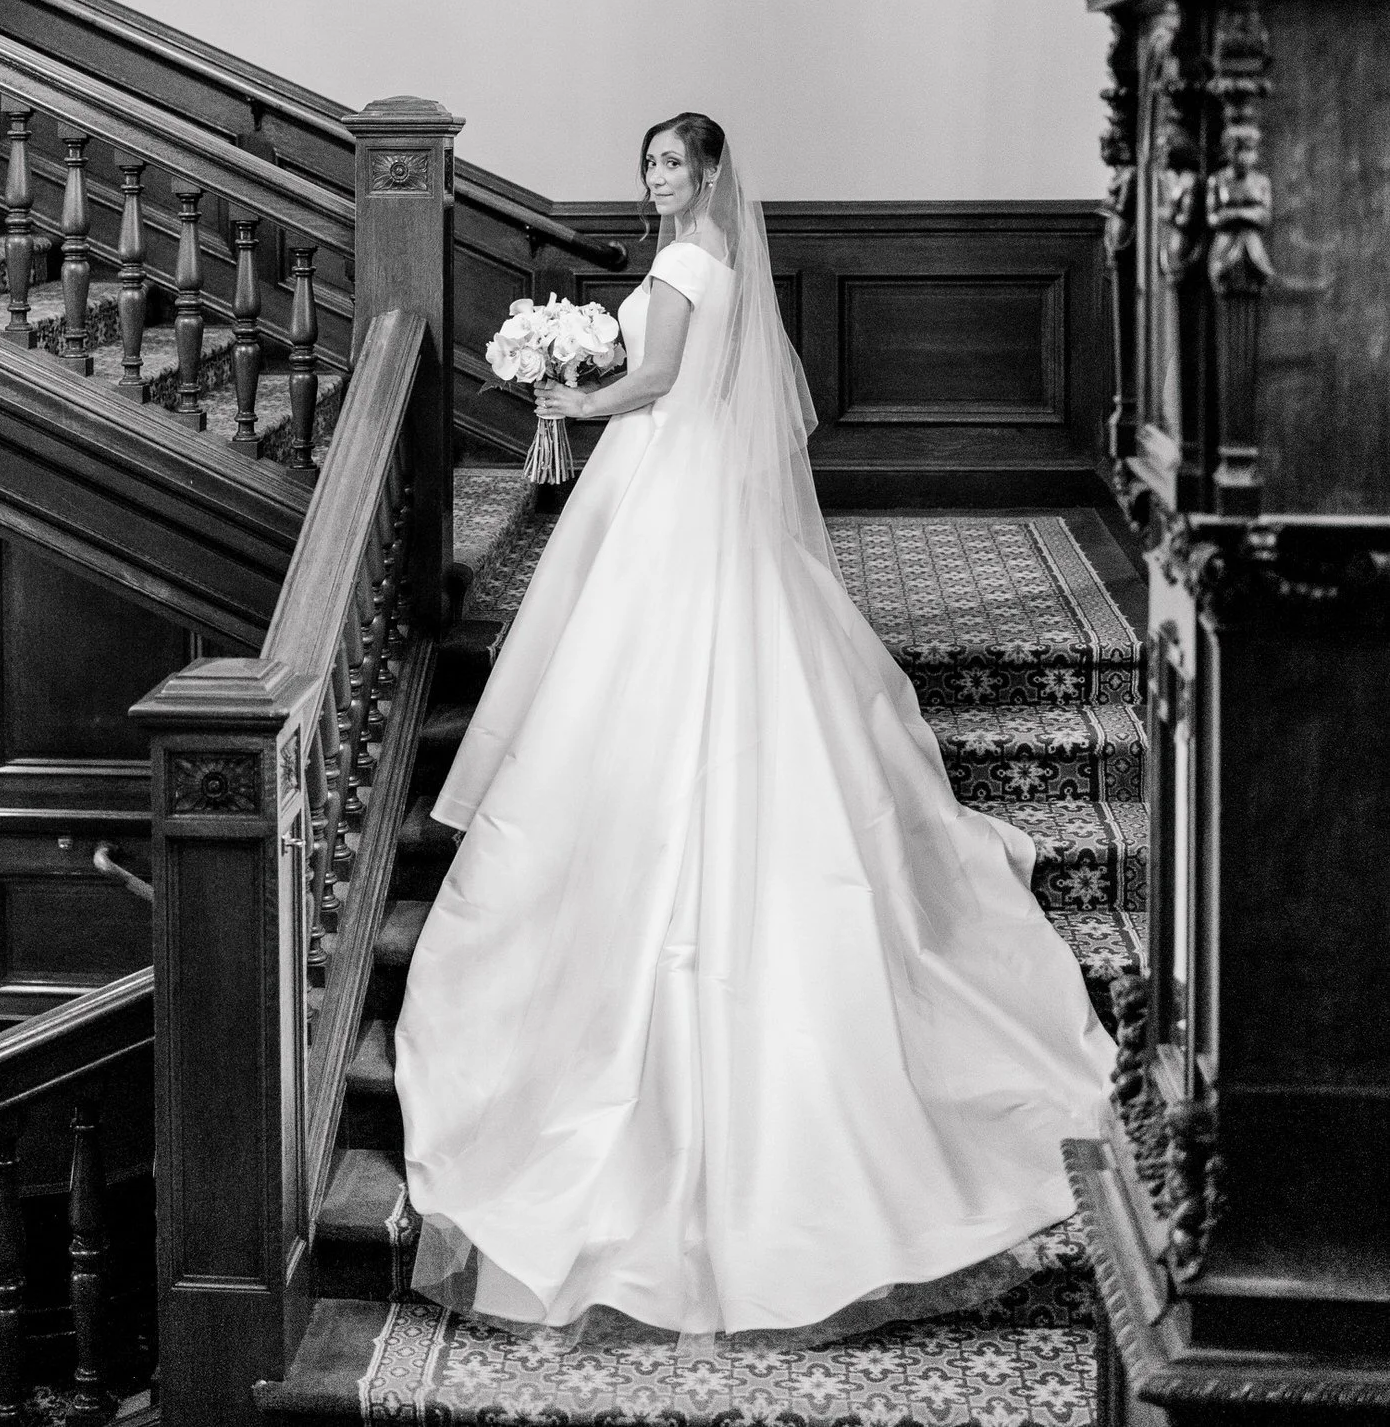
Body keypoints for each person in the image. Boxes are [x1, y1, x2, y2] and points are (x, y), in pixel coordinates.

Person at [394, 114, 1115, 1340]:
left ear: (713, 175)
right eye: (648, 165)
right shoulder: (721, 266)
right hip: (682, 490)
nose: (657, 180)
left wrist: (570, 389)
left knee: (639, 676)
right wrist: (580, 387)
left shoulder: (681, 268)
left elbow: (662, 381)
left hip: (661, 484)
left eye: (673, 164)